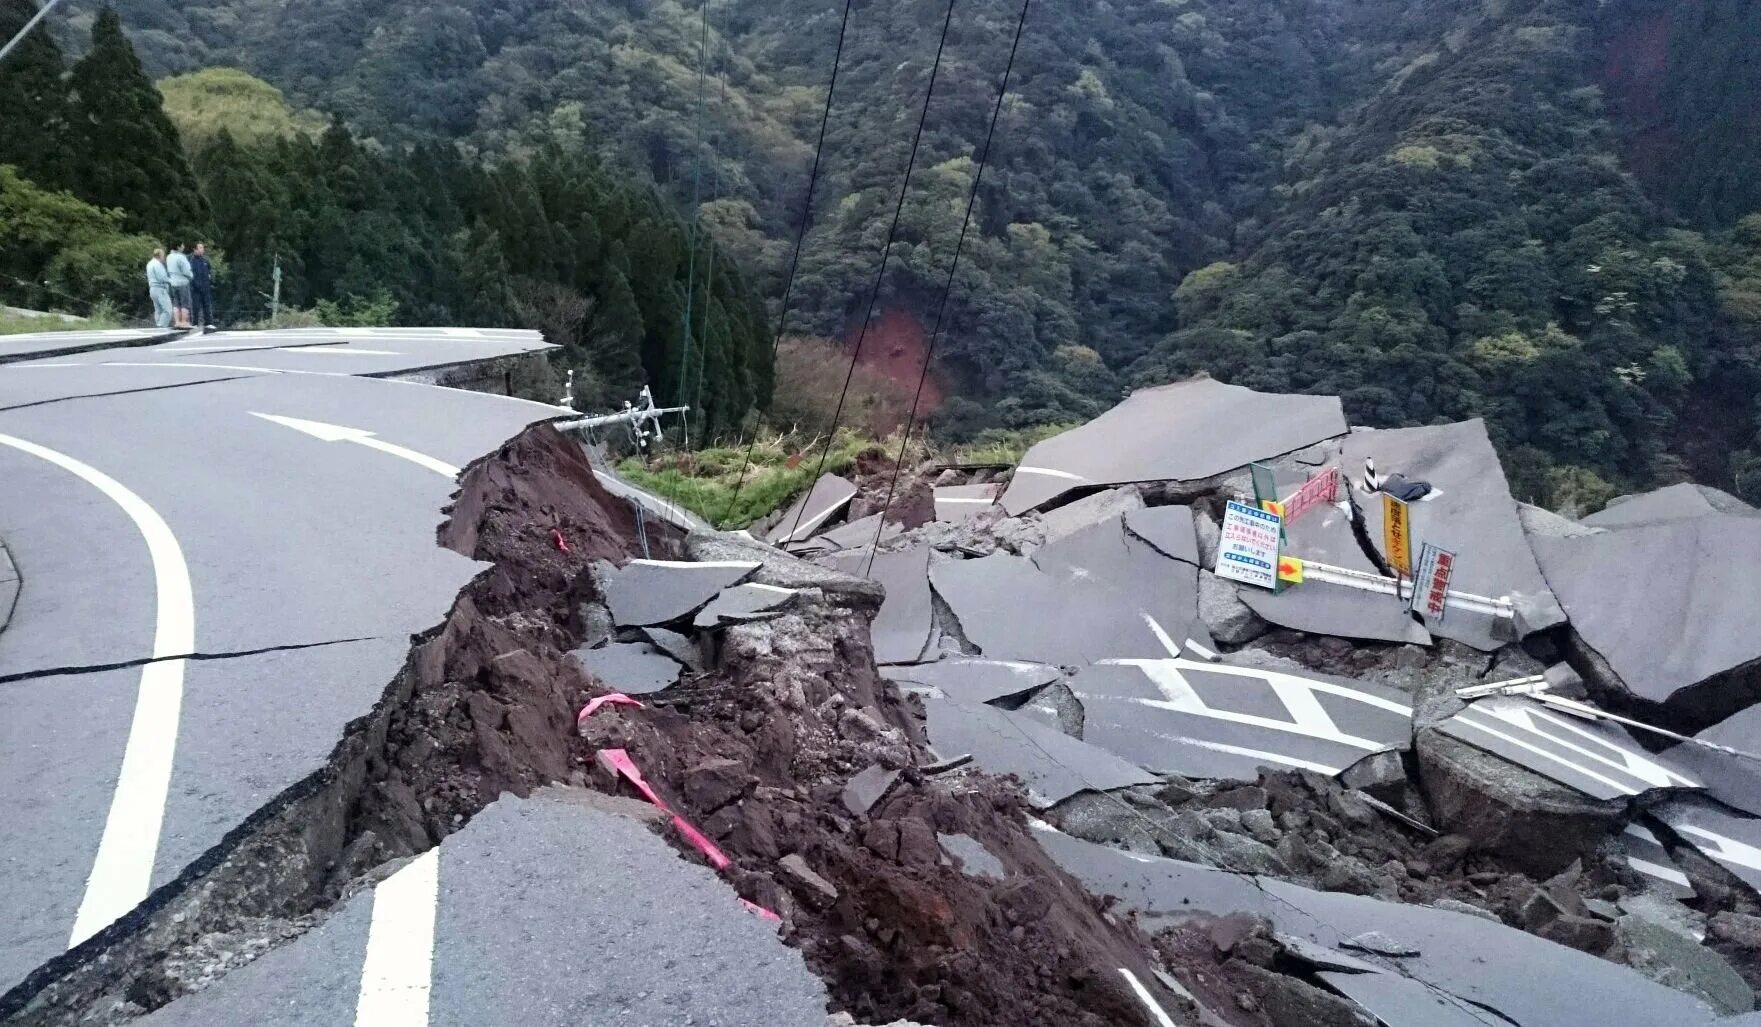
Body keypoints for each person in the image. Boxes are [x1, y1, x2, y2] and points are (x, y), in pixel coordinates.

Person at [166, 243, 194, 329]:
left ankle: (177, 322)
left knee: (176, 303)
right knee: (184, 303)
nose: (183, 247)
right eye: (182, 245)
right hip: (182, 282)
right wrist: (191, 276)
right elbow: (186, 271)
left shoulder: (169, 257)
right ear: (178, 247)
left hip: (173, 282)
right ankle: (184, 322)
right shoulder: (181, 257)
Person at [146, 249, 172, 329]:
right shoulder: (158, 264)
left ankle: (158, 324)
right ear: (160, 255)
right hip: (160, 289)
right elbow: (162, 277)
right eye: (163, 255)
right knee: (167, 310)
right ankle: (161, 326)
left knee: (158, 310)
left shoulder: (149, 264)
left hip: (152, 289)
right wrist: (171, 280)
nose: (164, 257)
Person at [190, 242, 215, 329]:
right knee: (195, 306)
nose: (202, 249)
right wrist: (196, 285)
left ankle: (209, 323)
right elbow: (191, 275)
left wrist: (210, 281)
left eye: (202, 248)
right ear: (195, 249)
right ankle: (195, 323)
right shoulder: (192, 261)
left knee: (207, 305)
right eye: (200, 248)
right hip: (196, 288)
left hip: (206, 287)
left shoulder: (205, 260)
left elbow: (210, 272)